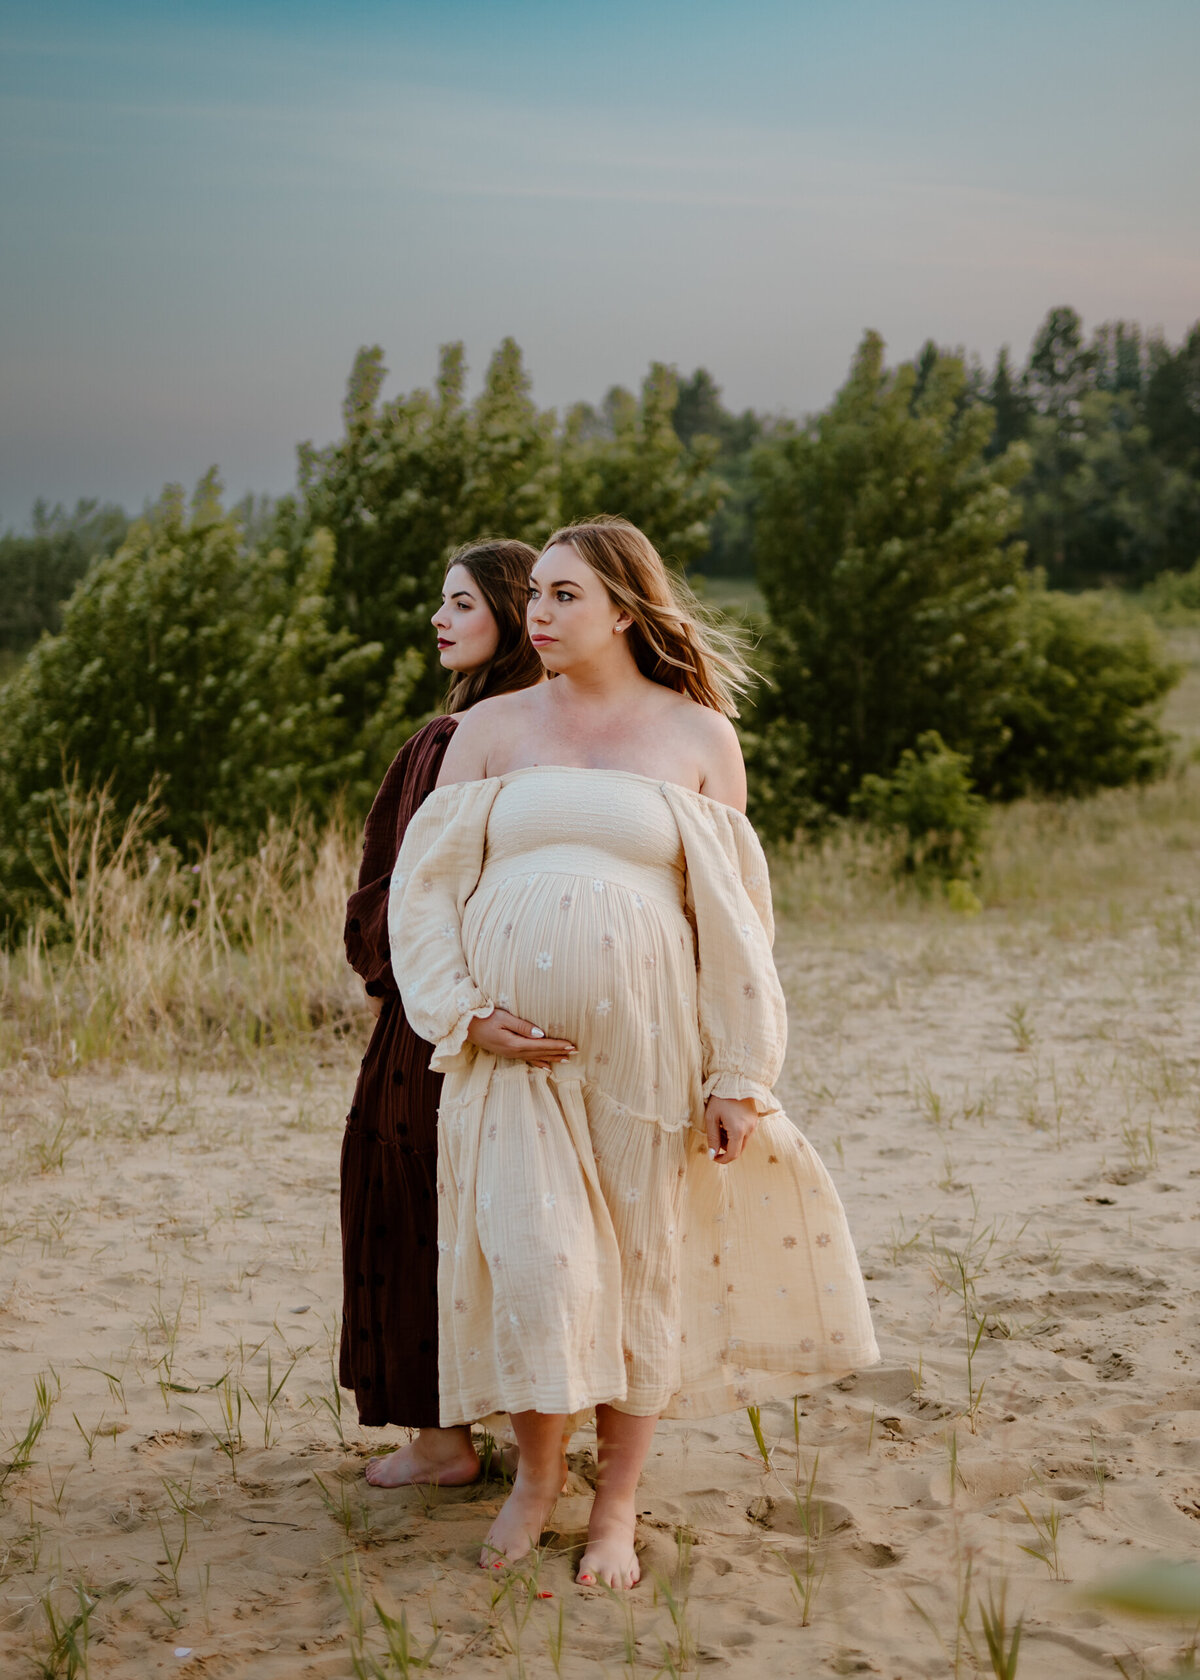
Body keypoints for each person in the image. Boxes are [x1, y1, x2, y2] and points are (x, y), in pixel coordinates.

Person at [389, 517, 879, 1587]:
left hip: (649, 1061)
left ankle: (614, 1511)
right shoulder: (492, 732)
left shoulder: (696, 735)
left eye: (565, 596)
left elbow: (734, 922)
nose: (541, 614)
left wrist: (740, 1075)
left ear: (624, 607)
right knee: (536, 1263)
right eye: (536, 598)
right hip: (512, 1062)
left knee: (641, 1274)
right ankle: (533, 1479)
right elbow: (423, 896)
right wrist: (465, 1015)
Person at [340, 537, 543, 1489]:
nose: (440, 618)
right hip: (532, 1007)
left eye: (461, 603)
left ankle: (439, 1444)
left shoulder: (455, 740)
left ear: (510, 613)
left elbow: (396, 891)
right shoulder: (561, 732)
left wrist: (398, 982)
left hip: (438, 1016)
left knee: (408, 1204)